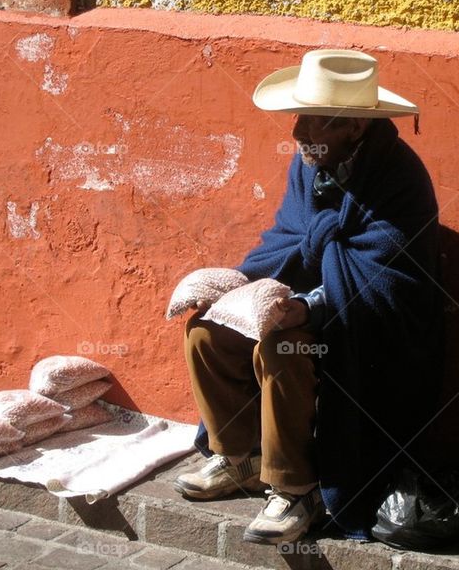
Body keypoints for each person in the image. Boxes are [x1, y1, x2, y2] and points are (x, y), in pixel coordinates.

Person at [174, 48, 441, 545]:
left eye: (313, 122)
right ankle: (240, 458)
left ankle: (297, 489)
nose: (297, 133)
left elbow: (386, 282)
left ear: (354, 129)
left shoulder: (399, 179)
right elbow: (289, 238)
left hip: (371, 325)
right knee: (207, 333)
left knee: (284, 345)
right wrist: (233, 284)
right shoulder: (311, 162)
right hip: (315, 299)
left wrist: (308, 307)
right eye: (298, 118)